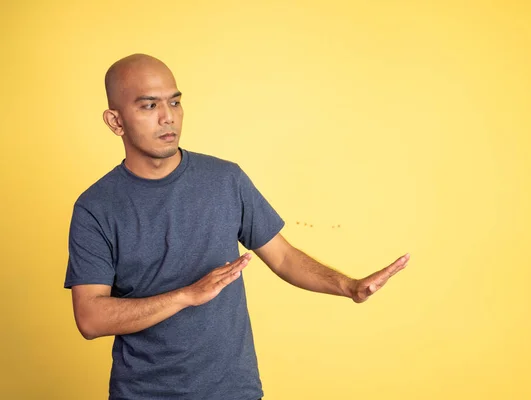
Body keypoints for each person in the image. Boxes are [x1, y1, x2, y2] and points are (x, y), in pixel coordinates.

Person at [64, 53, 411, 400]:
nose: (167, 116)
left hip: (233, 391)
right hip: (144, 393)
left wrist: (348, 286)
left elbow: (284, 258)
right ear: (116, 121)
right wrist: (186, 295)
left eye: (175, 101)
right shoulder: (96, 207)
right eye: (149, 105)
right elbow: (91, 318)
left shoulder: (225, 179)